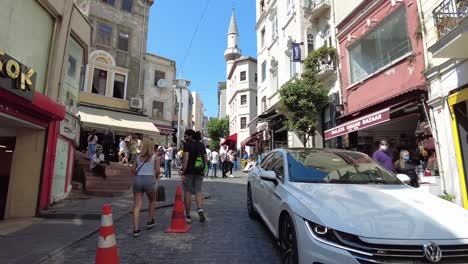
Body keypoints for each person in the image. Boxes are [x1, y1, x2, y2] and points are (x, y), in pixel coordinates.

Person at [131, 138, 161, 237]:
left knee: (137, 206)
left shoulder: (137, 156)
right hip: (149, 180)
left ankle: (136, 229)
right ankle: (150, 220)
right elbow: (157, 171)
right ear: (152, 146)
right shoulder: (155, 157)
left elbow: (132, 169)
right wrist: (155, 179)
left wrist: (138, 174)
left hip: (138, 179)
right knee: (152, 200)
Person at [180, 129, 207, 224]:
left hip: (189, 172)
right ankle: (199, 208)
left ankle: (188, 215)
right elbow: (205, 158)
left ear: (190, 136)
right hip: (199, 171)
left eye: (185, 136)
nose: (185, 138)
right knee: (198, 191)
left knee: (187, 191)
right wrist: (204, 169)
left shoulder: (187, 145)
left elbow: (186, 159)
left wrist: (183, 171)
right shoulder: (201, 145)